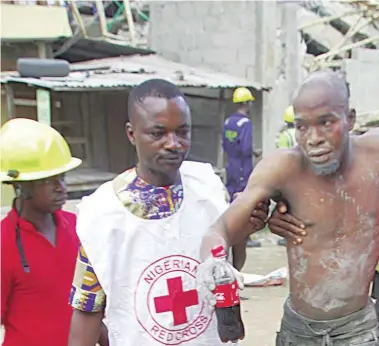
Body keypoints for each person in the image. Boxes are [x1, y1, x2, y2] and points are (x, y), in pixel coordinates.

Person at [67, 79, 270, 346]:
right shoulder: (102, 215)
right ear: (132, 134)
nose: (173, 143)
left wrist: (240, 233)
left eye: (182, 131)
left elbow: (226, 271)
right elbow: (86, 310)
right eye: (158, 133)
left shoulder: (208, 190)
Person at [196, 69, 379, 345]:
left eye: (326, 123)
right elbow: (221, 228)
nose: (312, 138)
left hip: (358, 330)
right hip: (300, 331)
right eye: (302, 126)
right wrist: (213, 261)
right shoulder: (284, 167)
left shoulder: (374, 158)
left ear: (350, 119)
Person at [0, 118, 82, 346]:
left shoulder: (79, 228)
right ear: (21, 186)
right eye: (49, 180)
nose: (61, 187)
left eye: (62, 178)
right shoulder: (3, 243)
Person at [222, 87, 261, 248]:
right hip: (242, 166)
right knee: (244, 198)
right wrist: (252, 154)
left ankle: (229, 230)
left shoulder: (228, 122)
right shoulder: (245, 123)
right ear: (247, 103)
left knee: (231, 197)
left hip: (231, 164)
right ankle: (244, 235)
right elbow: (244, 147)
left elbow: (226, 144)